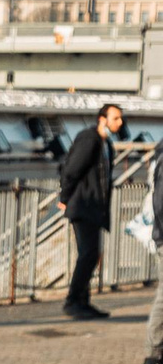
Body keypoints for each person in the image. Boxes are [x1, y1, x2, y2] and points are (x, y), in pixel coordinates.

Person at [59, 102, 125, 320]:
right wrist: (65, 198)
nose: (120, 122)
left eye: (120, 118)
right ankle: (73, 301)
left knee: (90, 255)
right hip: (83, 205)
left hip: (93, 207)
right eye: (116, 118)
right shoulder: (90, 139)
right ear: (102, 119)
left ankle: (82, 302)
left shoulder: (106, 143)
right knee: (88, 254)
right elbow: (71, 169)